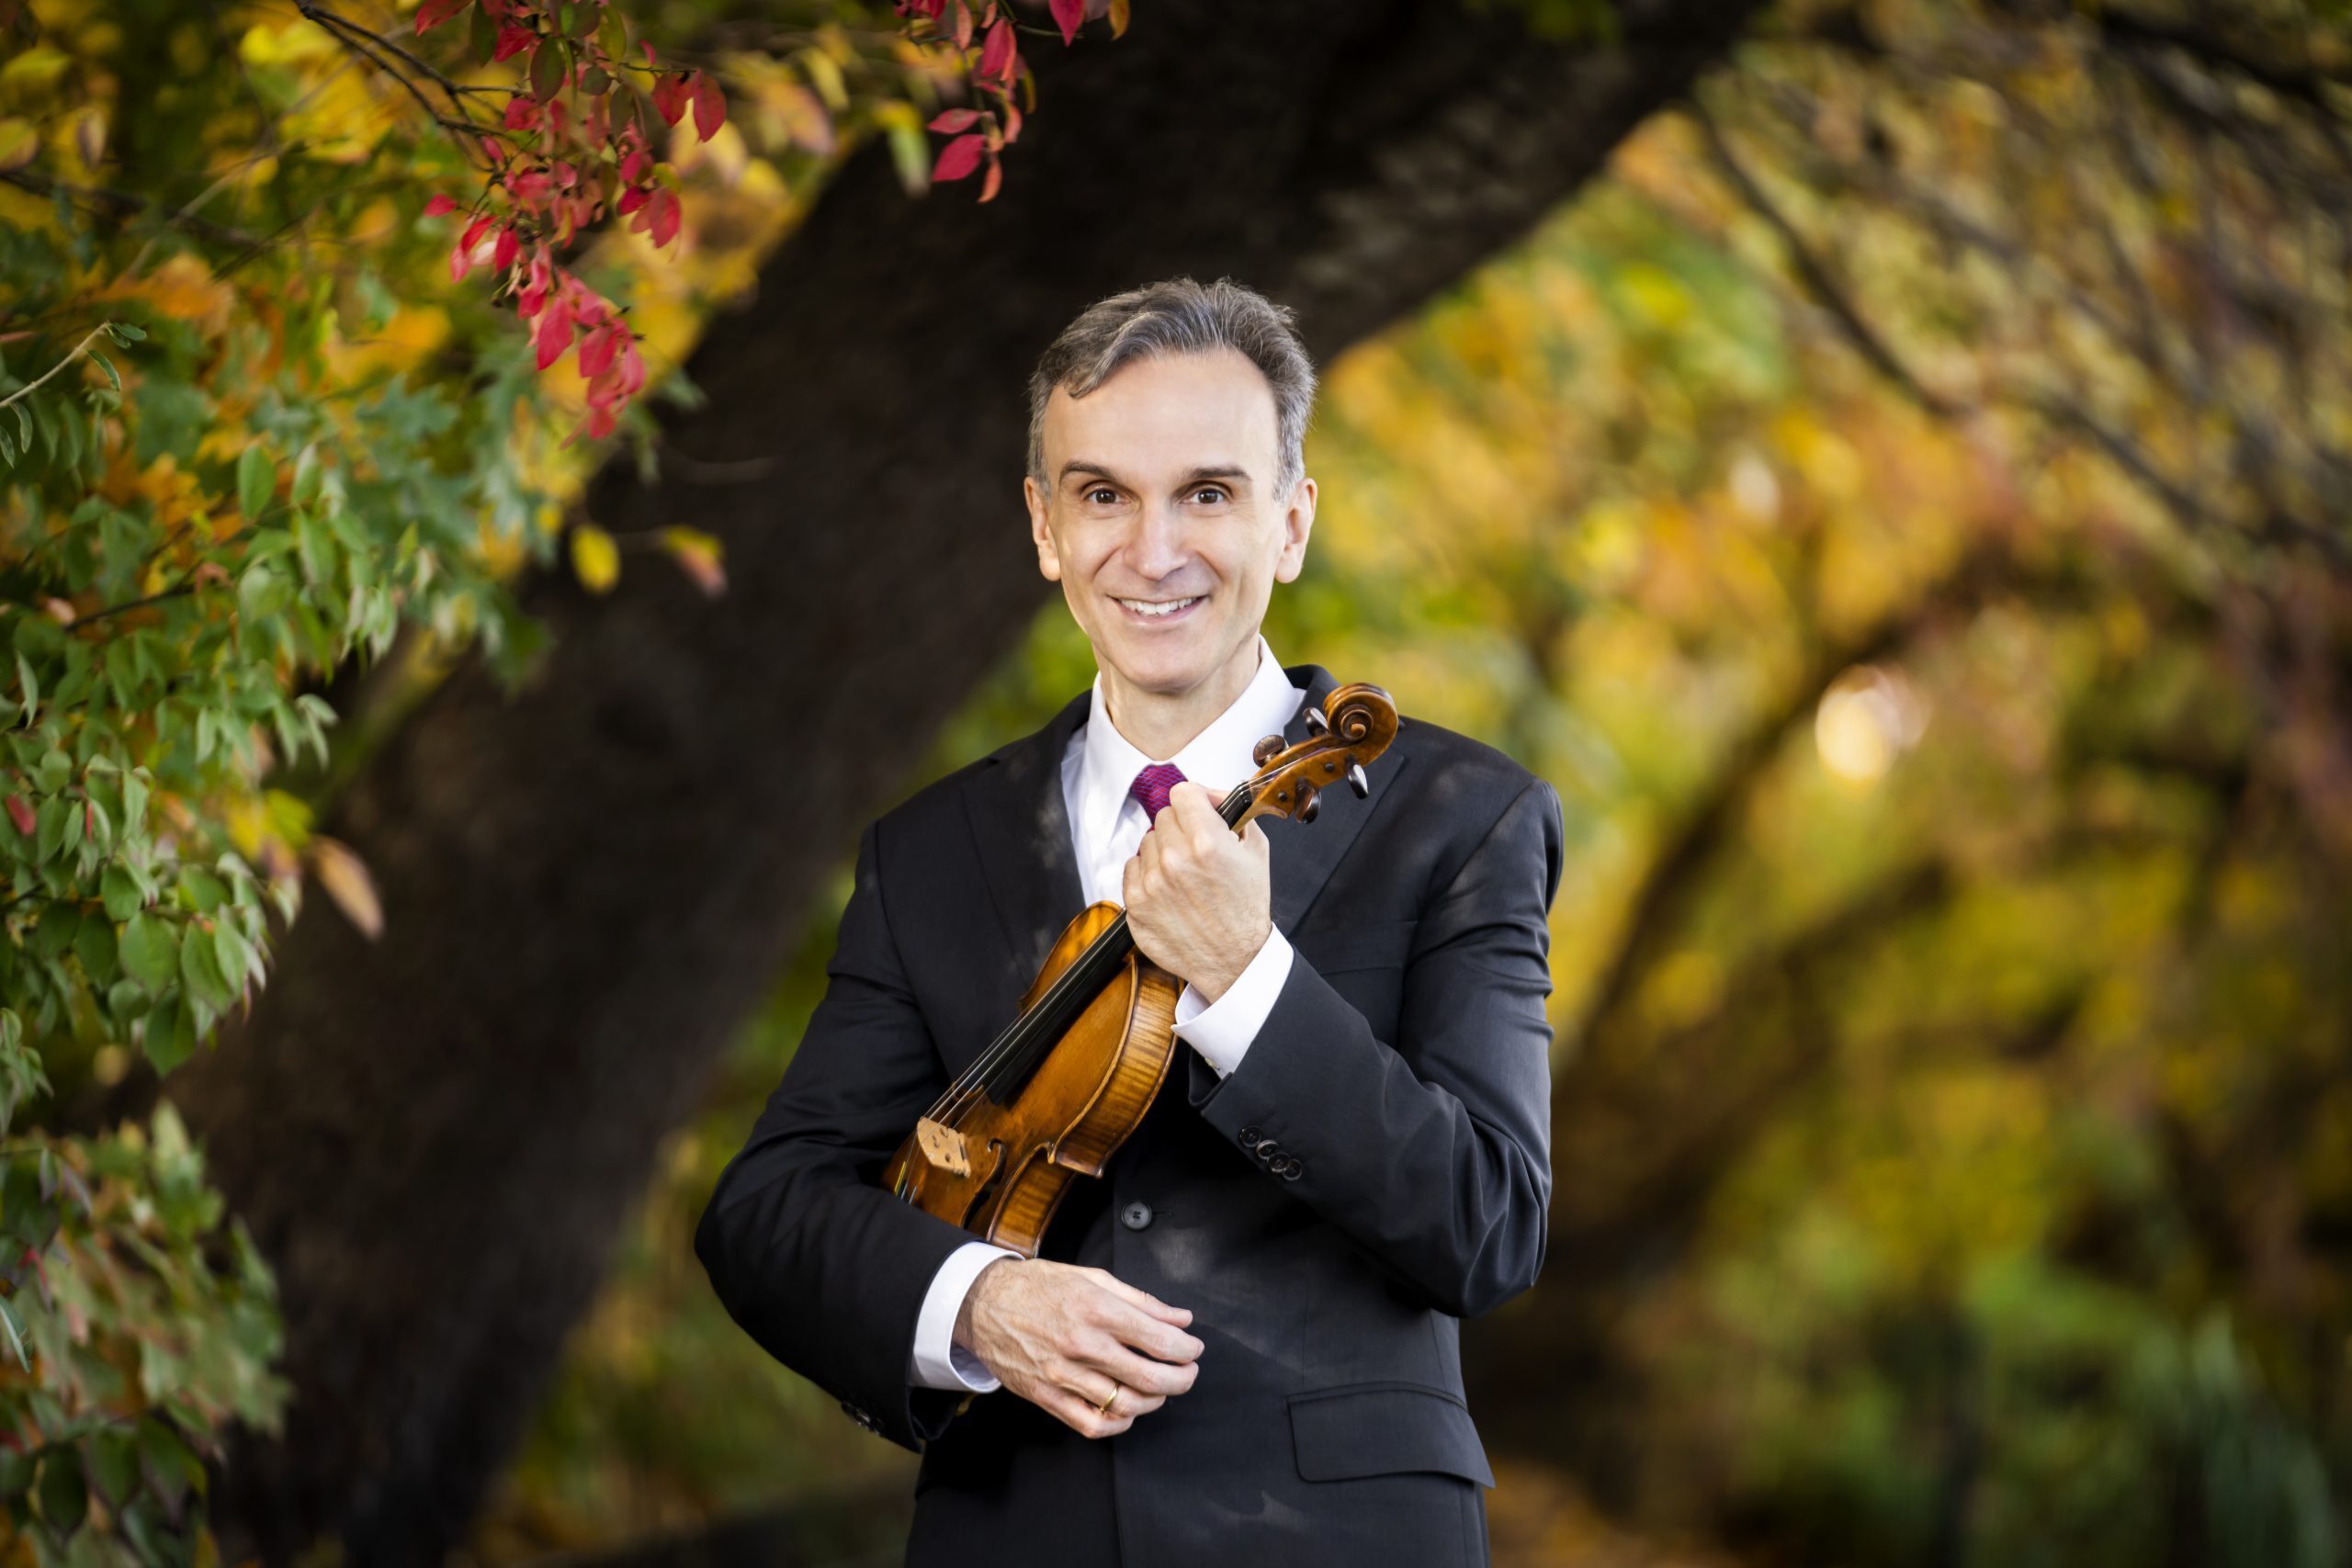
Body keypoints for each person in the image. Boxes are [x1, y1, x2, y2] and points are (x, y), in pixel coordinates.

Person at [695, 276, 1566, 1567]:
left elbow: (1488, 1226)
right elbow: (767, 1213)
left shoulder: (1463, 816)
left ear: (1290, 523)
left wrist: (1246, 977)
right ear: (1045, 527)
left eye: (1207, 494)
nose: (1153, 553)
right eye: (1103, 495)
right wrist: (978, 1303)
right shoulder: (933, 848)